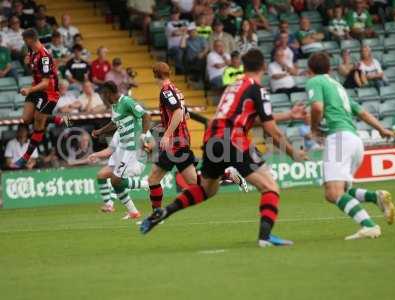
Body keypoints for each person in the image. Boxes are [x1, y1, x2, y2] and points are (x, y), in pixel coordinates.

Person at [140, 49, 308, 248]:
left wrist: (288, 115)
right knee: (270, 187)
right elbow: (270, 128)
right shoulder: (256, 88)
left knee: (206, 190)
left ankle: (164, 211)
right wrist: (293, 153)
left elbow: (248, 118)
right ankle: (265, 237)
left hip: (212, 139)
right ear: (263, 67)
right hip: (232, 139)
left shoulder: (233, 86)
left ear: (244, 66)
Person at [306, 51, 395, 240]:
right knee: (341, 190)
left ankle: (369, 225)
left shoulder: (315, 81)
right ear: (329, 68)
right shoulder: (338, 86)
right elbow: (362, 112)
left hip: (338, 139)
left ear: (310, 70)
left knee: (333, 193)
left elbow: (317, 107)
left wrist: (314, 129)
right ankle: (375, 197)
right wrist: (382, 129)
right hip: (355, 140)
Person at [146, 62, 247, 211]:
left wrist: (167, 134)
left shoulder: (166, 91)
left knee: (153, 178)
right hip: (181, 139)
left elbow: (179, 113)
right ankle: (227, 174)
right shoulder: (176, 90)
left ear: (156, 75)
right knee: (195, 182)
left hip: (175, 142)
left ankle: (156, 214)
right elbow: (185, 115)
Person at [91, 81, 152, 220]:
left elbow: (146, 116)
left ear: (108, 93)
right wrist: (100, 131)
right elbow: (114, 123)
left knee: (116, 180)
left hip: (132, 147)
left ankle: (148, 185)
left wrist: (142, 136)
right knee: (113, 180)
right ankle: (133, 212)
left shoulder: (126, 101)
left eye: (102, 94)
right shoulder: (115, 105)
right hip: (124, 148)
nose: (102, 97)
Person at [11, 29, 67, 169]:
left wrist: (29, 89)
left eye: (25, 40)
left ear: (30, 39)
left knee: (38, 125)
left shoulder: (44, 56)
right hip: (36, 89)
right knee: (26, 119)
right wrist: (27, 64)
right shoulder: (31, 50)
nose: (24, 43)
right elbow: (34, 71)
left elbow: (46, 83)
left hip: (49, 93)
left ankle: (25, 157)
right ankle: (58, 119)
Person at [87, 130, 149, 216]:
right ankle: (109, 205)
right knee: (101, 175)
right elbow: (109, 150)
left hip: (135, 162)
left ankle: (147, 185)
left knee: (116, 180)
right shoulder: (118, 132)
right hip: (121, 162)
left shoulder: (138, 128)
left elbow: (150, 145)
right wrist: (95, 155)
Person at [165, 7, 189, 74]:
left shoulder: (184, 22)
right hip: (173, 47)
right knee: (179, 51)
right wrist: (184, 31)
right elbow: (174, 33)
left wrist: (179, 31)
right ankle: (180, 70)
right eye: (172, 13)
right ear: (170, 15)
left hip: (186, 44)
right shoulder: (168, 24)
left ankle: (191, 71)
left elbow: (189, 31)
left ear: (179, 14)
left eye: (176, 13)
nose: (174, 15)